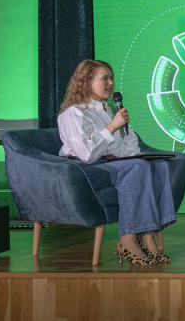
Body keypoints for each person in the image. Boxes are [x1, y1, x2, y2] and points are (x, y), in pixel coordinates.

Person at [57, 59, 176, 265]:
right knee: (136, 167)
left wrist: (133, 147)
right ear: (86, 81)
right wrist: (112, 126)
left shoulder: (108, 110)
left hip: (108, 164)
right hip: (83, 170)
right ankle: (128, 239)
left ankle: (147, 236)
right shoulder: (73, 114)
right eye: (105, 79)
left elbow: (117, 150)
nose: (111, 84)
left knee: (158, 165)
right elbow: (87, 154)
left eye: (111, 78)